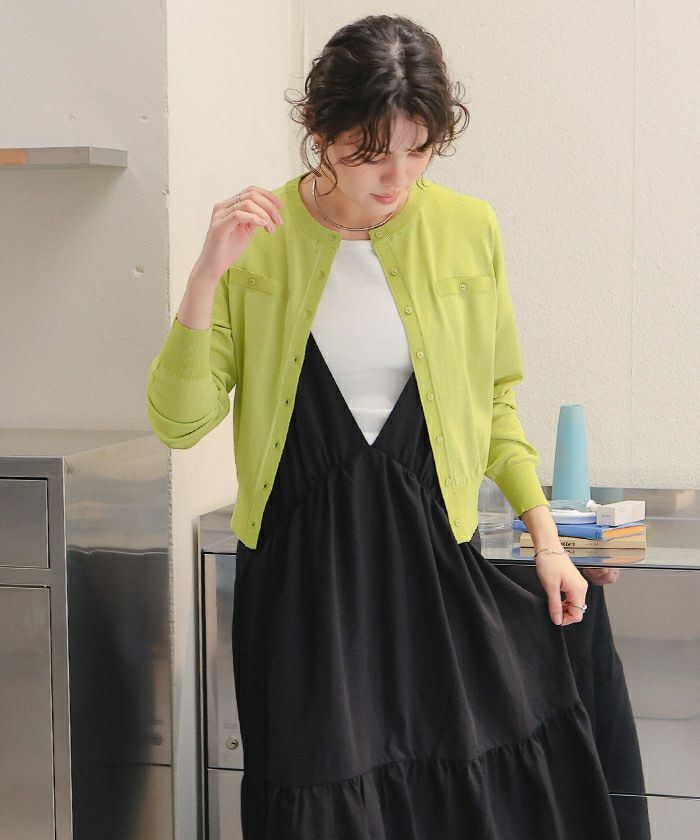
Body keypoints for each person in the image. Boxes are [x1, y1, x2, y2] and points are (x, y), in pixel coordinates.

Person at [146, 14, 624, 839]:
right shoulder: (259, 241)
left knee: (464, 798)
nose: (397, 175)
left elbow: (495, 404)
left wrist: (548, 541)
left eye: (420, 148)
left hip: (436, 567)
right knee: (319, 803)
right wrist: (204, 275)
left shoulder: (467, 228)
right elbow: (179, 422)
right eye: (371, 151)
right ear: (320, 131)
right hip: (303, 585)